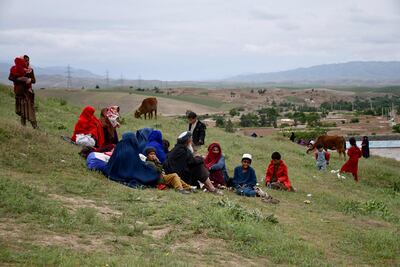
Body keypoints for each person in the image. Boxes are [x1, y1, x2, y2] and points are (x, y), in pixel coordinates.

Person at [163, 131, 223, 195]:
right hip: (178, 178)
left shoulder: (177, 149)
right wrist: (201, 158)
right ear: (188, 140)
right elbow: (192, 161)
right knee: (199, 166)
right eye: (191, 138)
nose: (192, 140)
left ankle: (209, 186)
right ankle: (212, 188)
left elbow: (188, 161)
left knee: (198, 165)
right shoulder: (182, 150)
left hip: (176, 175)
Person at [8, 55, 37, 128]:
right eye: (25, 60)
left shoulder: (30, 70)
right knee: (22, 110)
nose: (27, 62)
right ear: (22, 61)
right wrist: (21, 79)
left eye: (28, 60)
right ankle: (23, 127)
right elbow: (10, 77)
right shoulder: (15, 69)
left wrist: (30, 80)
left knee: (30, 110)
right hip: (19, 93)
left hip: (28, 93)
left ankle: (35, 126)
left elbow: (34, 80)